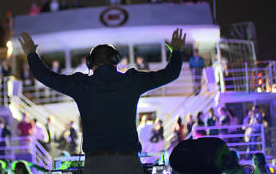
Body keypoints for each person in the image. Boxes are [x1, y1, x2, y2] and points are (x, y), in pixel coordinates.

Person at [18, 28, 185, 174]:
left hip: (96, 164)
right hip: (128, 163)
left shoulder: (81, 84)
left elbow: (45, 76)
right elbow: (171, 73)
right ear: (116, 60)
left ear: (90, 64)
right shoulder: (131, 81)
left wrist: (31, 53)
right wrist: (176, 51)